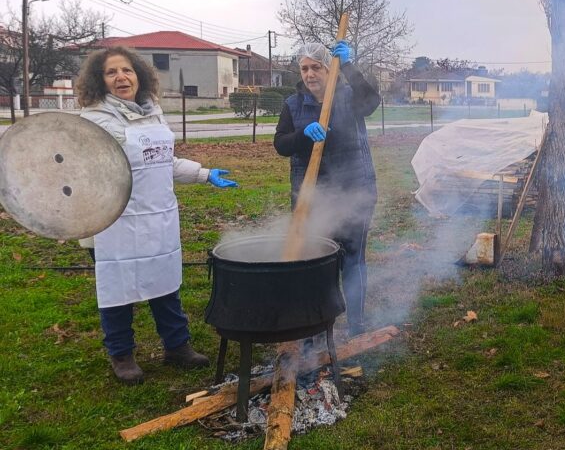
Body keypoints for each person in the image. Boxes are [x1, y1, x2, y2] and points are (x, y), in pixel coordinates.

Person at [75, 46, 239, 384]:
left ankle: (177, 346)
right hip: (114, 221)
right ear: (100, 81)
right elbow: (83, 170)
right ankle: (121, 354)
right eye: (111, 72)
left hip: (156, 215)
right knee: (118, 289)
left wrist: (205, 174)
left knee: (165, 283)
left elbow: (164, 161)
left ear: (139, 75)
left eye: (127, 70)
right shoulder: (93, 118)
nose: (121, 77)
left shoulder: (153, 112)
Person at [274, 41, 380, 337]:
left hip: (355, 190)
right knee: (318, 261)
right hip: (312, 197)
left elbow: (371, 102)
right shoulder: (293, 105)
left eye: (316, 67)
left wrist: (348, 66)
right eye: (304, 68)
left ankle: (357, 325)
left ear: (328, 68)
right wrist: (301, 136)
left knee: (353, 257)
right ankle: (322, 326)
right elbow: (281, 143)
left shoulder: (347, 96)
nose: (310, 74)